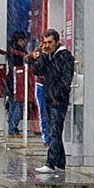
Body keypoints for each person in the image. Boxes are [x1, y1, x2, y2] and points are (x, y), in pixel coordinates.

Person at [28, 29, 74, 173]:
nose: (48, 45)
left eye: (50, 42)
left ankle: (51, 163)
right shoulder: (49, 56)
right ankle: (60, 162)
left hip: (58, 100)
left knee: (55, 131)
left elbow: (66, 80)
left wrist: (57, 96)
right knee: (53, 130)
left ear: (57, 41)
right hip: (48, 97)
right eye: (45, 42)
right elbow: (38, 70)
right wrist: (40, 56)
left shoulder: (64, 56)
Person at [5, 31, 29, 137]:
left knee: (12, 104)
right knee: (19, 103)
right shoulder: (18, 51)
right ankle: (13, 128)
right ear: (20, 40)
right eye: (24, 40)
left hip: (11, 80)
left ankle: (11, 128)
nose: (26, 42)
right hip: (17, 80)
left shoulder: (11, 49)